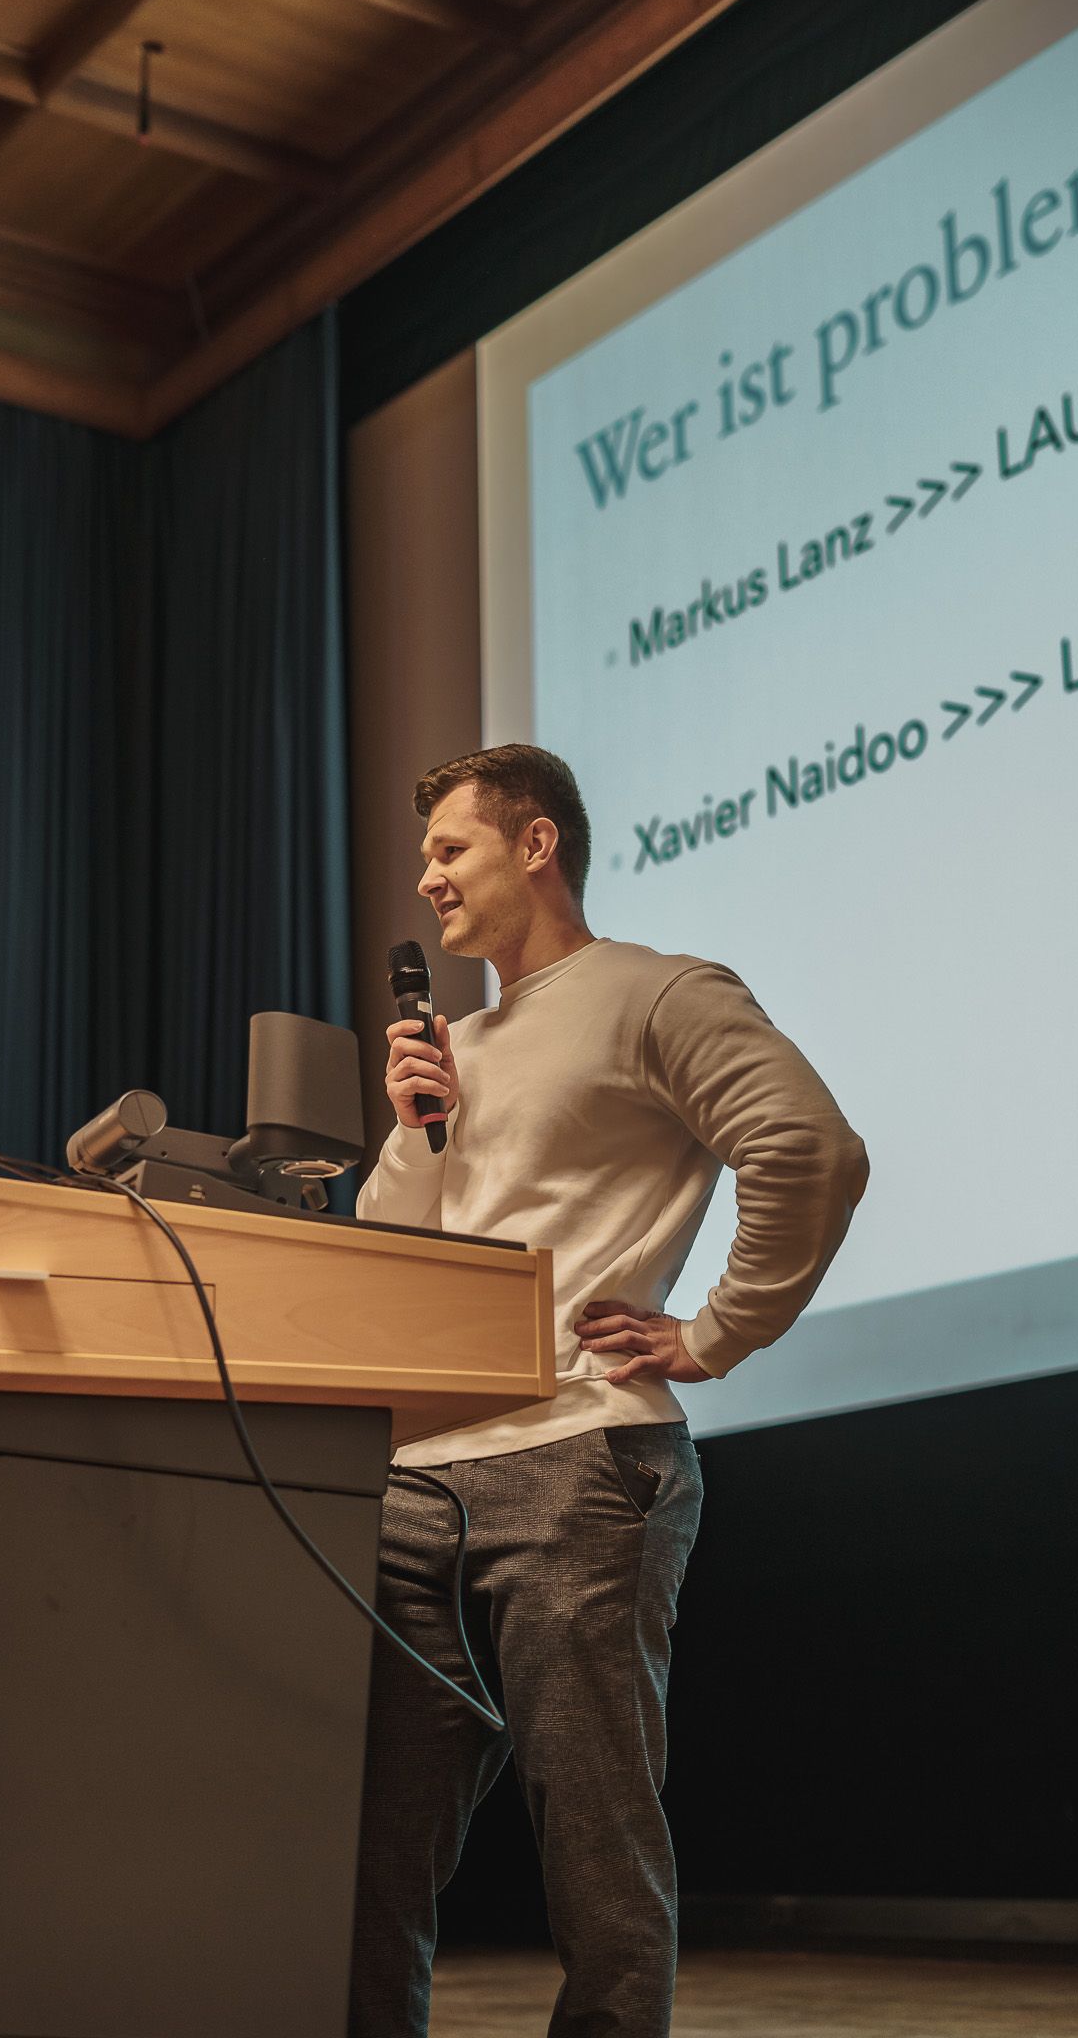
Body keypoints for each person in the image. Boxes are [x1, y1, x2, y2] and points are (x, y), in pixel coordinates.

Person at [348, 744, 868, 2038]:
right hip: (412, 1482)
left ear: (535, 846)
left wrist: (712, 1333)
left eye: (448, 851)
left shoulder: (652, 993)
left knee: (596, 1842)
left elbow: (805, 1146)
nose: (425, 881)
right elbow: (390, 1243)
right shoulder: (452, 1044)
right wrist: (418, 1130)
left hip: (578, 1467)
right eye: (423, 859)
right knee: (367, 1851)